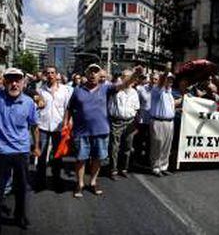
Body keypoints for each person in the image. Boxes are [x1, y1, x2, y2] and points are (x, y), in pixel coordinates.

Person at [0, 50, 41, 234]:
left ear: (22, 82)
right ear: (4, 82)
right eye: (10, 79)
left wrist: (36, 147)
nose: (14, 83)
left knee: (21, 188)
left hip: (20, 152)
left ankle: (20, 216)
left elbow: (35, 126)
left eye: (17, 80)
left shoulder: (29, 102)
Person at [64, 63, 142, 198]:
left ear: (100, 75)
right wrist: (66, 124)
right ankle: (80, 184)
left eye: (96, 72)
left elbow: (123, 85)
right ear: (86, 74)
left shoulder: (106, 88)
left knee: (98, 158)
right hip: (82, 132)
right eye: (90, 71)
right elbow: (70, 108)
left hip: (101, 131)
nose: (93, 74)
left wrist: (135, 75)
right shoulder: (77, 90)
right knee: (81, 159)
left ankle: (93, 182)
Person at [35, 66, 72, 191]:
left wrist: (66, 123)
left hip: (58, 126)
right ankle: (40, 181)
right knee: (41, 155)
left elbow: (67, 108)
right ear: (45, 75)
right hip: (43, 126)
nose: (50, 75)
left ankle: (57, 180)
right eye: (48, 73)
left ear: (57, 75)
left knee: (57, 156)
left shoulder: (65, 90)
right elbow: (36, 106)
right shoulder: (40, 90)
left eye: (52, 73)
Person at [108, 69, 140, 180]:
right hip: (116, 122)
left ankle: (124, 168)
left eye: (128, 76)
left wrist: (135, 124)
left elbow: (136, 109)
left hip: (130, 122)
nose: (125, 78)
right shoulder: (116, 90)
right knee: (114, 147)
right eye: (124, 76)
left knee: (127, 147)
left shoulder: (135, 92)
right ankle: (113, 170)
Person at [149, 68, 176, 177]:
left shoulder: (169, 93)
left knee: (166, 145)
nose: (169, 82)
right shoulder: (156, 89)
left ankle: (164, 166)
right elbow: (161, 84)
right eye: (167, 79)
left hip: (169, 122)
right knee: (157, 145)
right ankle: (155, 167)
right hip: (158, 122)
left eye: (171, 80)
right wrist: (165, 72)